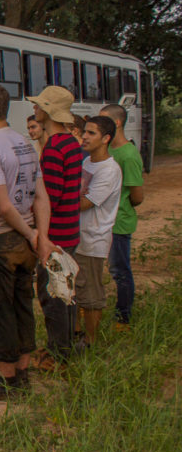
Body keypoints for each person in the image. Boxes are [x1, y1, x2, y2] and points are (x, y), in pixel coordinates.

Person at [0, 84, 53, 400]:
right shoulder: (25, 144)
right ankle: (23, 372)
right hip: (25, 235)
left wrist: (33, 236)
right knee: (21, 301)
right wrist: (38, 236)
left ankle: (5, 381)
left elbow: (3, 206)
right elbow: (41, 197)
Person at [27, 86, 83, 369]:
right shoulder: (72, 143)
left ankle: (58, 353)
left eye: (39, 106)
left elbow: (50, 197)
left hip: (56, 234)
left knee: (53, 296)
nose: (35, 109)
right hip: (70, 229)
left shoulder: (54, 149)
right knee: (66, 292)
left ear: (48, 111)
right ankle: (66, 345)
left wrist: (42, 237)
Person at [75, 116, 123, 345]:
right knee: (75, 289)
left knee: (91, 294)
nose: (84, 136)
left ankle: (90, 341)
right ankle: (76, 335)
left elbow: (85, 203)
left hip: (93, 239)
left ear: (106, 139)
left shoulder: (110, 170)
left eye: (91, 133)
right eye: (84, 131)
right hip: (78, 236)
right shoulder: (86, 163)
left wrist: (58, 199)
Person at [99, 104, 144, 328]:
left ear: (116, 123)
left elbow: (137, 195)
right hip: (105, 221)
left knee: (120, 271)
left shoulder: (127, 154)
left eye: (103, 120)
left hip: (119, 222)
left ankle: (123, 316)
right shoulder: (109, 151)